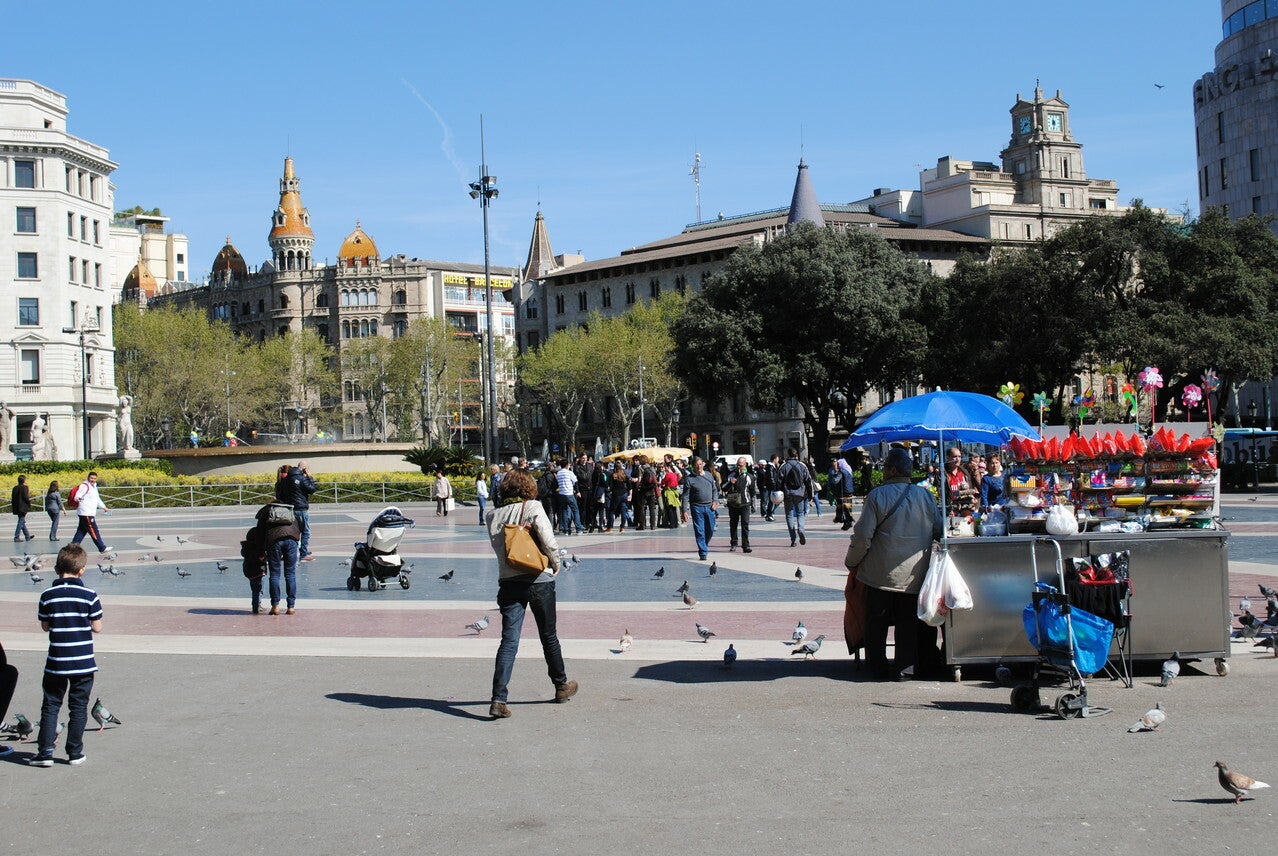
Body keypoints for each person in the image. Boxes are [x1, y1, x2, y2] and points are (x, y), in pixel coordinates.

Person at [844, 447, 943, 682]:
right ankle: (905, 668)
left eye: (885, 467)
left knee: (876, 623)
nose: (883, 471)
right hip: (915, 573)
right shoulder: (926, 496)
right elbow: (938, 530)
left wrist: (852, 561)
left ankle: (876, 667)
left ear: (892, 470)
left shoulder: (877, 495)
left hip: (880, 574)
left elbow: (862, 536)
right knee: (908, 623)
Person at [485, 468, 576, 719]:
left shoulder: (492, 515)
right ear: (529, 487)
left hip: (509, 581)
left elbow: (500, 549)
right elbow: (548, 540)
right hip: (538, 579)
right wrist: (555, 562)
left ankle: (498, 698)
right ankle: (561, 686)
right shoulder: (533, 507)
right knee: (548, 636)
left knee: (509, 640)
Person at [31, 544, 101, 766]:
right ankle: (75, 752)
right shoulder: (89, 595)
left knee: (51, 705)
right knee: (78, 707)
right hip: (83, 663)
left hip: (56, 663)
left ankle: (45, 753)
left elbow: (45, 627)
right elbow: (97, 627)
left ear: (56, 569)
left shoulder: (47, 595)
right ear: (81, 570)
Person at [252, 502, 302, 615]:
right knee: (290, 574)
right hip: (291, 540)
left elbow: (259, 533)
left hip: (274, 541)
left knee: (275, 574)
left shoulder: (266, 511)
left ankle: (275, 606)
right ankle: (291, 607)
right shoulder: (290, 509)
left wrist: (260, 551)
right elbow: (301, 526)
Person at [277, 461, 318, 560]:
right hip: (301, 509)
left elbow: (281, 494)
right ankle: (303, 554)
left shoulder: (286, 479)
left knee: (291, 532)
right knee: (305, 532)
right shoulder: (302, 478)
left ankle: (288, 553)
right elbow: (312, 489)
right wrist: (310, 477)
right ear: (304, 469)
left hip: (289, 509)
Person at [680, 457, 719, 560]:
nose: (699, 466)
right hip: (697, 507)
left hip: (710, 507)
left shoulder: (709, 476)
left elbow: (715, 490)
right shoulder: (689, 479)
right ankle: (703, 552)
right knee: (699, 530)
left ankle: (704, 545)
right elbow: (685, 496)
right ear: (693, 465)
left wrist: (715, 501)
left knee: (710, 529)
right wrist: (684, 511)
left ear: (703, 464)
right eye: (697, 464)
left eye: (700, 464)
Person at [777, 448, 813, 547]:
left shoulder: (783, 466)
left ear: (788, 455)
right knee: (800, 513)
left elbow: (778, 482)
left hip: (787, 494)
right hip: (799, 494)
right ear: (796, 455)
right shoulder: (802, 465)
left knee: (789, 515)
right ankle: (801, 529)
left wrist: (778, 495)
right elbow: (808, 481)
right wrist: (810, 496)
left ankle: (793, 539)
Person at [69, 472, 110, 554]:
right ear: (88, 477)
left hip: (89, 512)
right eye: (91, 478)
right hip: (86, 512)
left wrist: (104, 507)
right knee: (94, 530)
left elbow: (97, 499)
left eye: (94, 478)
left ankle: (72, 548)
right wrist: (77, 498)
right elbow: (78, 495)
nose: (93, 480)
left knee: (81, 531)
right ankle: (102, 547)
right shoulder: (84, 485)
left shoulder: (94, 487)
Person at [722, 457, 756, 553]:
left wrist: (753, 505)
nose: (739, 467)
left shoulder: (749, 477)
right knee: (733, 524)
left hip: (745, 503)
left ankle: (746, 545)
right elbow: (723, 488)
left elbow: (752, 492)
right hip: (733, 503)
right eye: (737, 465)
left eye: (741, 465)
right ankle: (734, 543)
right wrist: (730, 483)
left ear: (745, 465)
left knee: (745, 524)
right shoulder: (731, 475)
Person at [944, 447, 978, 517]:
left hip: (965, 507)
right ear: (948, 458)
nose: (958, 459)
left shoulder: (964, 472)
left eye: (959, 456)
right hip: (950, 508)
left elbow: (970, 489)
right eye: (955, 456)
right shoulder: (943, 473)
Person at [555, 460, 584, 535]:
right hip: (569, 494)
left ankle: (566, 530)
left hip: (561, 494)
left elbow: (557, 483)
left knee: (564, 511)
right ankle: (579, 529)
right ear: (567, 465)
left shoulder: (558, 473)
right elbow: (575, 482)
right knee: (575, 510)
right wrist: (578, 492)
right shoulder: (569, 472)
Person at [11, 474, 33, 542]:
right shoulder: (25, 487)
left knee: (22, 521)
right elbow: (26, 497)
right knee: (21, 521)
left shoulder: (14, 488)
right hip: (23, 507)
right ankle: (16, 537)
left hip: (17, 507)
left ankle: (27, 536)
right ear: (24, 480)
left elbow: (13, 498)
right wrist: (29, 504)